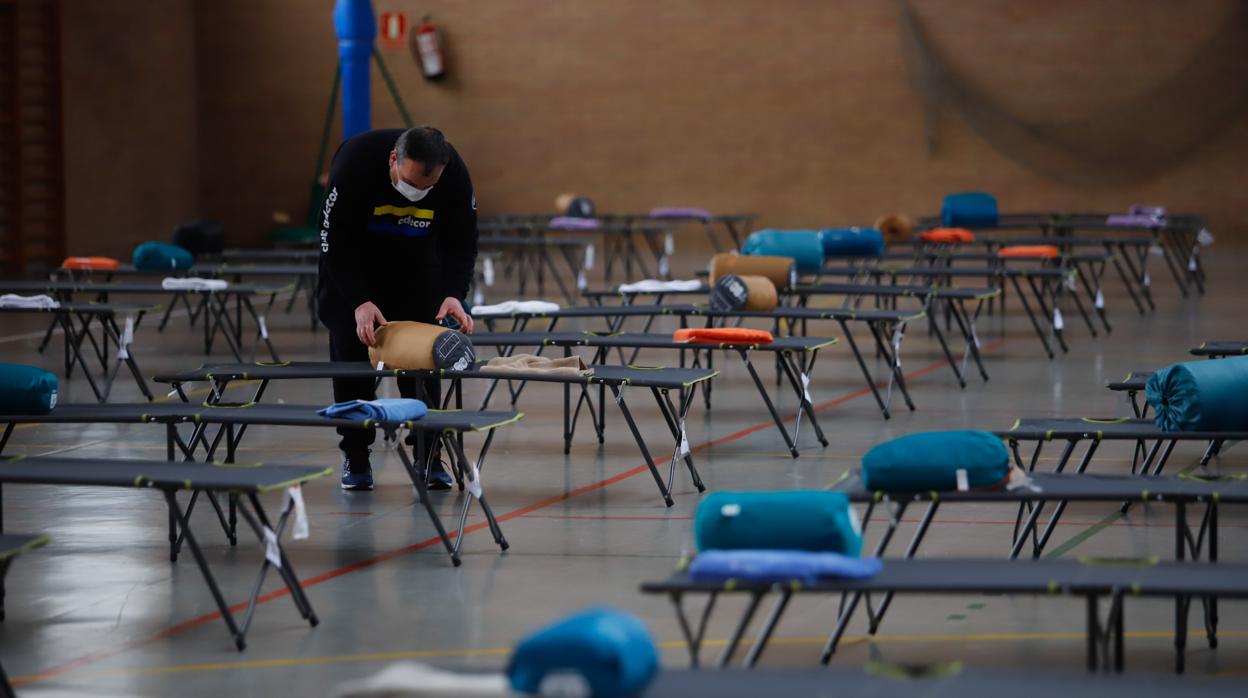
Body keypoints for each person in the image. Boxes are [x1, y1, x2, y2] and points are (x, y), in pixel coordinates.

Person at [317, 126, 477, 491]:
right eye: (411, 183)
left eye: (427, 187)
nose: (417, 193)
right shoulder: (355, 163)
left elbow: (463, 242)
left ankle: (428, 455)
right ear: (394, 159)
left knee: (423, 363)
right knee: (352, 359)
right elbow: (332, 242)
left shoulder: (453, 174)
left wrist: (454, 292)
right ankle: (356, 458)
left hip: (417, 267)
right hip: (356, 268)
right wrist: (358, 300)